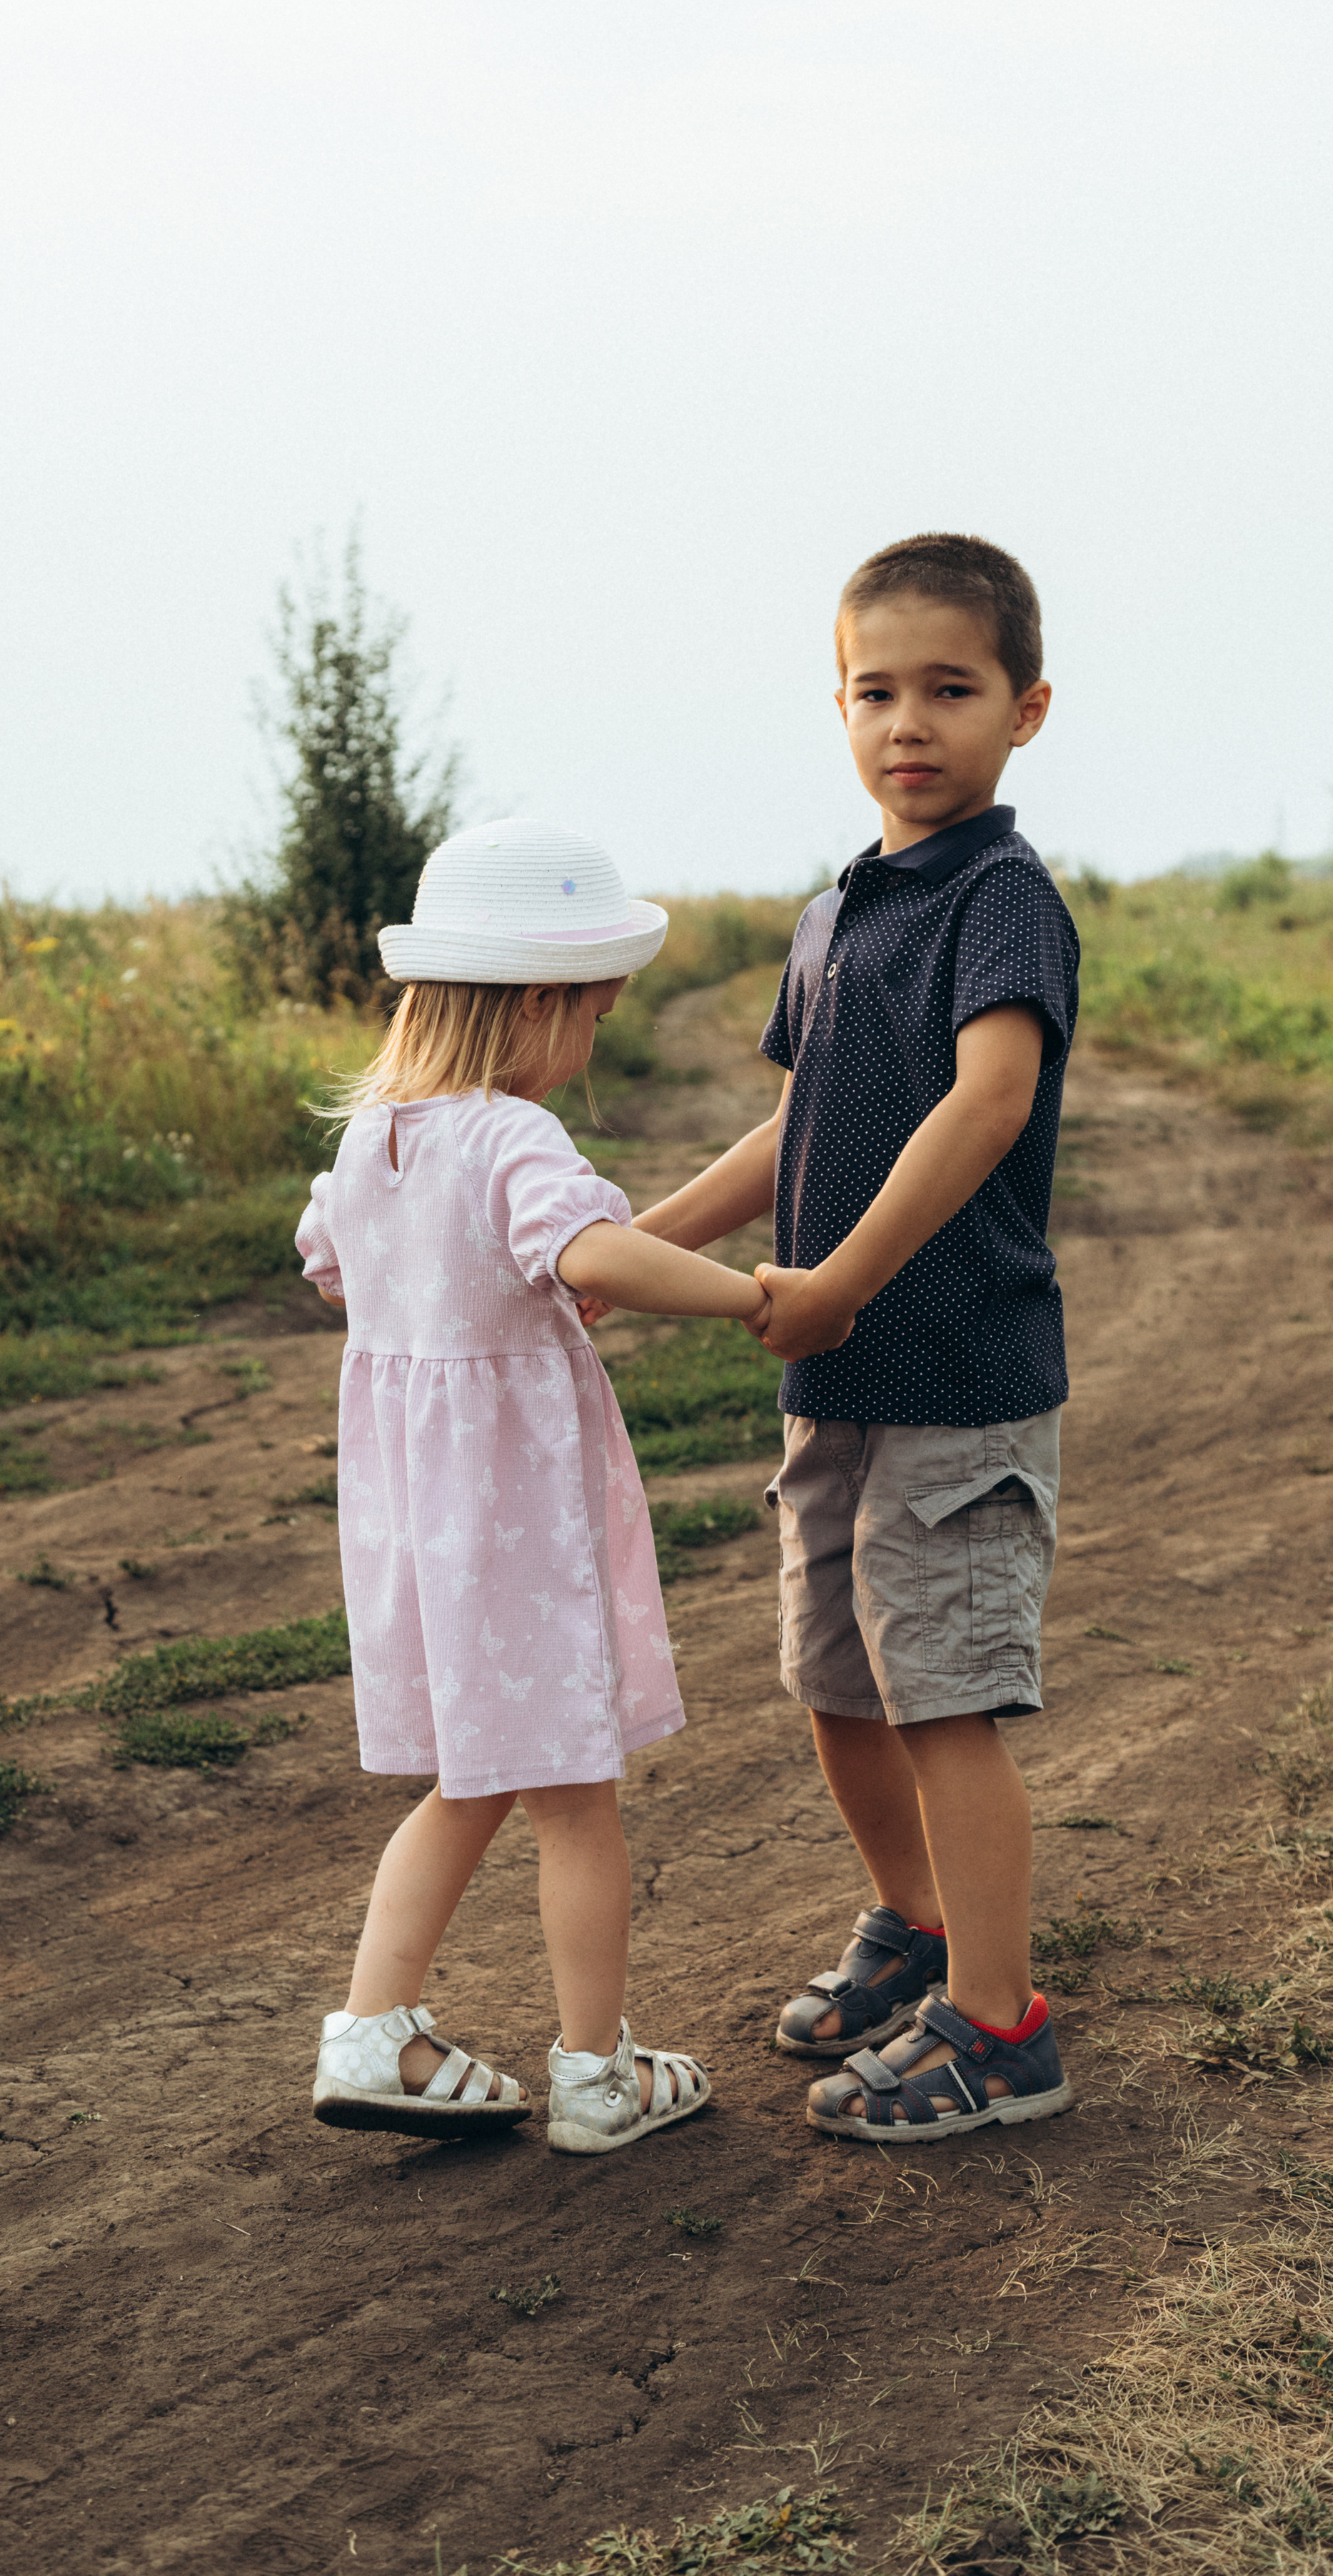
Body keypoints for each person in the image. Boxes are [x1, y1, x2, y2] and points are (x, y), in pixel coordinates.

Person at [632, 532, 1080, 2143]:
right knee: (835, 1678)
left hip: (953, 1370)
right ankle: (922, 1924)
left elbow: (988, 1102)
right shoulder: (837, 914)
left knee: (941, 1695)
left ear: (1021, 712)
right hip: (835, 1382)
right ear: (835, 706)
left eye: (947, 690)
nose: (909, 722)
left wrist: (837, 1282)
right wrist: (633, 1247)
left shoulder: (999, 899)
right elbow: (791, 1126)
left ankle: (999, 2026)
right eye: (875, 690)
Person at [296, 818, 770, 2155]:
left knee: (468, 1782)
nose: (594, 1042)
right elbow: (598, 1258)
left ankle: (372, 2029)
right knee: (572, 1798)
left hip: (418, 1536)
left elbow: (330, 1265)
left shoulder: (370, 1144)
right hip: (515, 1532)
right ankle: (595, 2075)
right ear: (543, 1002)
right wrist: (753, 1298)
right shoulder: (510, 1138)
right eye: (596, 1016)